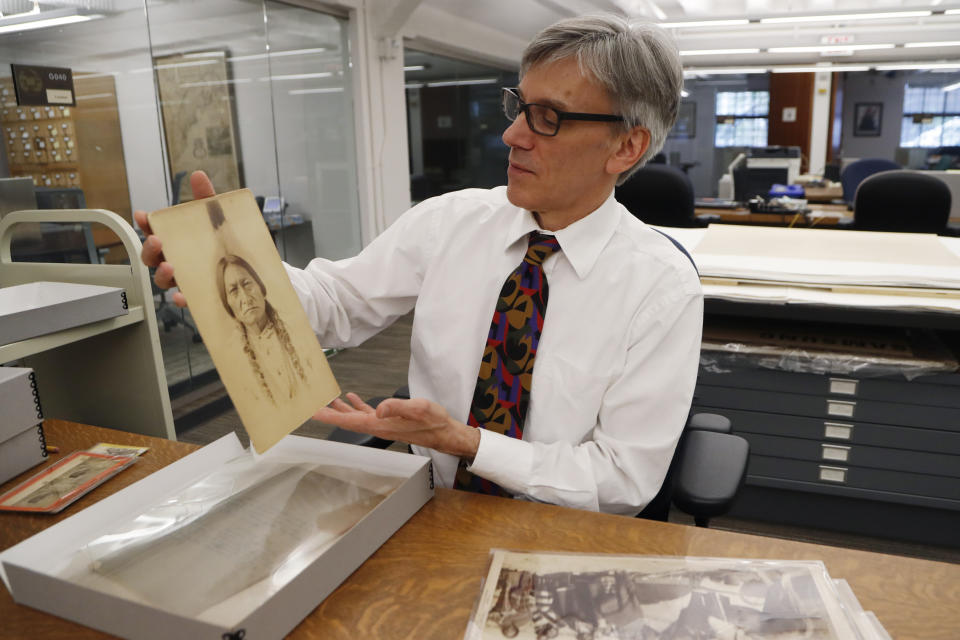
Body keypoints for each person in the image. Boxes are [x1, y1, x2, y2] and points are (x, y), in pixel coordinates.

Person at [137, 14, 703, 515]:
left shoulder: (661, 287)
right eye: (519, 107)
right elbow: (336, 305)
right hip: (431, 509)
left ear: (626, 147)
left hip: (565, 535)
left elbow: (624, 479)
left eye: (548, 117)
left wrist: (467, 443)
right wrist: (234, 266)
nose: (512, 135)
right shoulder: (450, 222)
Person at [215, 253, 307, 404]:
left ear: (261, 287)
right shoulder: (234, 358)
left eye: (247, 284)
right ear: (228, 305)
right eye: (233, 291)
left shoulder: (294, 328)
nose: (245, 298)